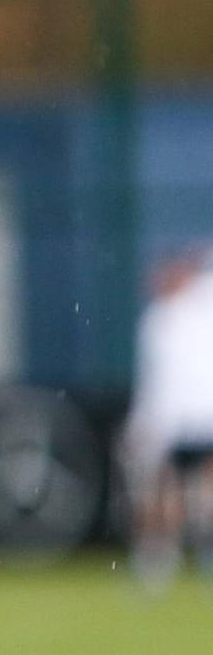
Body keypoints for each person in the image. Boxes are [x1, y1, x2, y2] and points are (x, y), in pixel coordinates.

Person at [122, 248, 213, 590]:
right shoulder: (159, 319)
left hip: (199, 419)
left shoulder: (196, 308)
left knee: (199, 493)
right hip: (175, 422)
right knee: (165, 493)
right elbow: (156, 380)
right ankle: (158, 560)